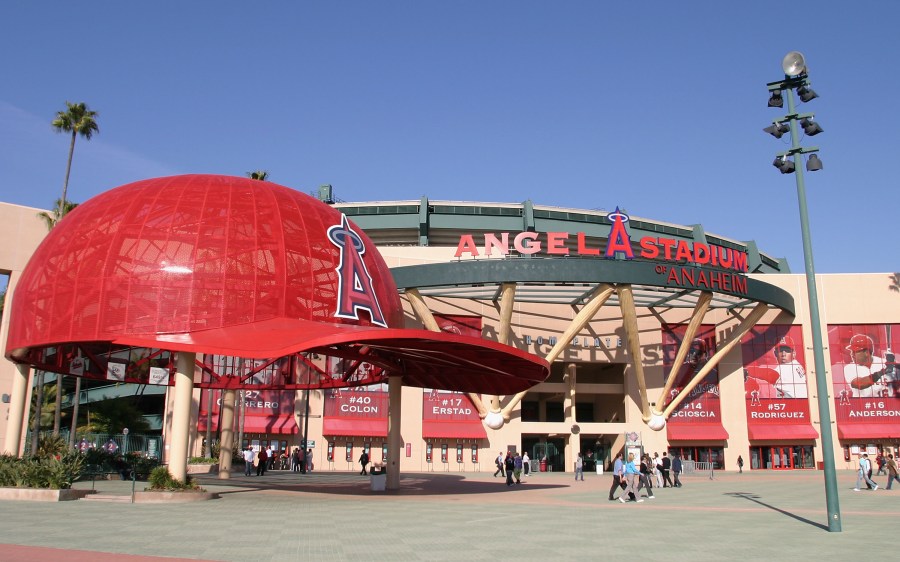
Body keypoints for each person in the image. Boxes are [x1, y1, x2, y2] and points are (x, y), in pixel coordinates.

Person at [743, 335, 807, 398]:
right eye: (780, 350)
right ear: (775, 353)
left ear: (793, 353)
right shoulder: (796, 363)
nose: (783, 354)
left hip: (793, 400)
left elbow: (770, 374)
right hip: (802, 400)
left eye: (787, 350)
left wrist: (748, 371)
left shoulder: (785, 368)